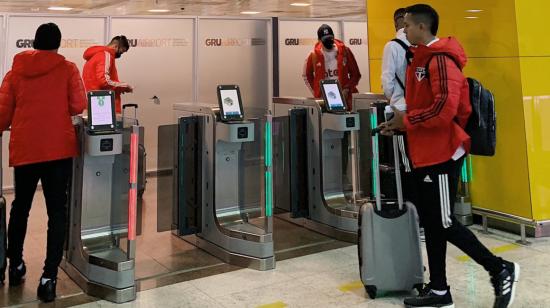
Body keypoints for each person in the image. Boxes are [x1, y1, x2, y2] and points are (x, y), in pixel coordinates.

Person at [379, 4, 519, 308]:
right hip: (425, 150)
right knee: (431, 221)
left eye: (407, 25)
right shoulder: (420, 58)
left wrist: (409, 121)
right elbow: (424, 106)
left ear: (422, 27)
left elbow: (445, 110)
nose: (403, 30)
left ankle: (500, 269)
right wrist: (401, 126)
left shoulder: (441, 60)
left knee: (443, 220)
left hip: (442, 153)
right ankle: (440, 291)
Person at [0, 23, 86, 302]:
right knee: (56, 212)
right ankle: (48, 278)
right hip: (58, 151)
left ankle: (16, 266)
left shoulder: (15, 72)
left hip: (25, 149)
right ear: (58, 44)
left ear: (34, 43)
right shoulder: (68, 69)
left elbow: (3, 112)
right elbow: (78, 105)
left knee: (20, 208)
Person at [381, 8, 422, 241]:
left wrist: (394, 100)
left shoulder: (392, 47)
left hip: (402, 111)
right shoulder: (422, 46)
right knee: (419, 165)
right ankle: (424, 216)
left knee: (406, 166)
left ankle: (413, 219)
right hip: (420, 111)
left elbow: (387, 81)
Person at [303, 24, 361, 109]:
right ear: (319, 40)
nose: (329, 41)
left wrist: (347, 89)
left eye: (330, 38)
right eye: (325, 39)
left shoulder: (345, 51)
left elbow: (356, 74)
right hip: (324, 98)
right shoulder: (313, 55)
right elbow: (307, 76)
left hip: (344, 97)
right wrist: (317, 91)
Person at [82, 35, 133, 113]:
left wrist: (118, 88)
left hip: (97, 103)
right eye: (121, 52)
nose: (120, 55)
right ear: (116, 46)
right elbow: (104, 81)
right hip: (105, 106)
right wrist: (124, 86)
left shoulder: (93, 57)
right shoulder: (106, 55)